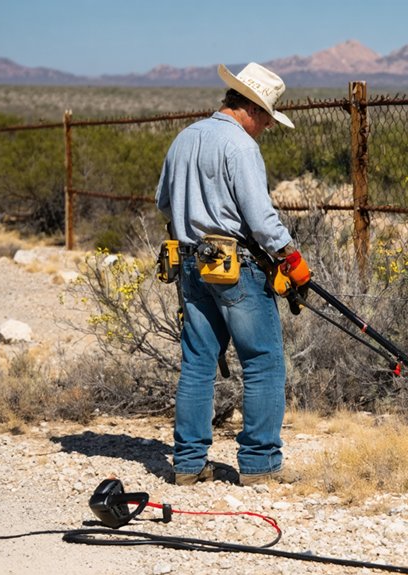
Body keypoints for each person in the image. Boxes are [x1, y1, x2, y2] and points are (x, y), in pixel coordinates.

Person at [155, 62, 310, 487]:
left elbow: (163, 201)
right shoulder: (240, 147)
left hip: (190, 260)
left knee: (198, 361)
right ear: (252, 109)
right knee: (262, 361)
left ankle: (187, 464)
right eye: (267, 118)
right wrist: (291, 258)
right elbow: (260, 219)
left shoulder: (184, 138)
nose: (267, 128)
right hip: (234, 263)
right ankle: (260, 463)